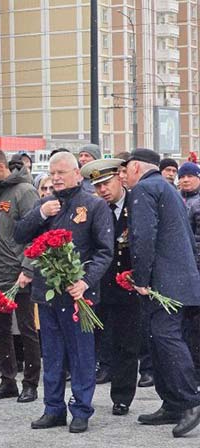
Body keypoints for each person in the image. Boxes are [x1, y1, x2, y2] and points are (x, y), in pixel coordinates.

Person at [14, 151, 113, 434]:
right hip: (47, 292)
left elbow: (104, 251)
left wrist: (86, 281)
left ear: (77, 173)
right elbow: (19, 235)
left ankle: (81, 409)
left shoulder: (94, 205)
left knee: (81, 355)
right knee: (53, 354)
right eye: (52, 173)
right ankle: (53, 408)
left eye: (61, 172)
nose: (55, 178)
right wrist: (40, 214)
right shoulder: (46, 204)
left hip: (78, 294)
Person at [124, 149, 200, 437]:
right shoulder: (166, 188)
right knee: (158, 339)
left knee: (165, 338)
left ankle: (190, 400)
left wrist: (141, 278)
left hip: (163, 281)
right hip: (180, 277)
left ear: (135, 167)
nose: (124, 176)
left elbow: (144, 236)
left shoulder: (144, 189)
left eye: (125, 170)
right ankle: (172, 403)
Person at [80, 158, 143, 416]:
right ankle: (86, 395)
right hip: (99, 285)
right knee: (94, 343)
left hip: (128, 285)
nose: (102, 190)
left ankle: (122, 396)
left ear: (120, 177)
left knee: (126, 344)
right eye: (97, 186)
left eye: (106, 183)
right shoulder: (95, 208)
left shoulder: (137, 204)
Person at [0, 147, 41, 403]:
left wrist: (28, 267)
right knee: (0, 330)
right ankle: (7, 380)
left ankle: (31, 382)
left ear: (0, 166)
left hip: (19, 272)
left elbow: (35, 230)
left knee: (27, 329)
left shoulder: (24, 191)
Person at [177, 161, 200, 375]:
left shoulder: (197, 203)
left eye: (190, 176)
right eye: (182, 176)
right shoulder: (177, 199)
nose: (185, 180)